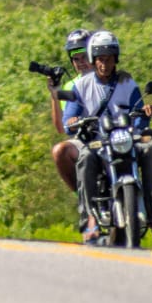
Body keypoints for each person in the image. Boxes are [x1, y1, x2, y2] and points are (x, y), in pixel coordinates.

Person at [62, 30, 152, 242]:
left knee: (151, 148)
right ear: (93, 60)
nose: (104, 64)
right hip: (97, 141)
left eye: (108, 59)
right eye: (100, 59)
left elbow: (138, 112)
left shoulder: (128, 83)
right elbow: (68, 120)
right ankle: (88, 218)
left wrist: (143, 115)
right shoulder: (81, 86)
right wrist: (74, 122)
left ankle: (150, 207)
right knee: (85, 160)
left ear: (115, 59)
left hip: (126, 139)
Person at [47, 29, 94, 217]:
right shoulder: (70, 86)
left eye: (85, 56)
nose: (81, 62)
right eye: (76, 58)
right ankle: (84, 198)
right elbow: (61, 128)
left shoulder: (110, 78)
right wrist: (54, 95)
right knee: (60, 151)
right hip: (84, 140)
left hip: (112, 135)